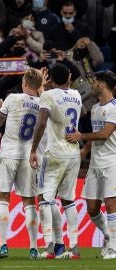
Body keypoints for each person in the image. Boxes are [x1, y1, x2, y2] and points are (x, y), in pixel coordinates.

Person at [0, 68, 44, 259]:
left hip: (9, 154)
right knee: (29, 201)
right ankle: (33, 248)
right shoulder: (42, 104)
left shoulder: (12, 99)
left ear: (25, 83)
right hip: (29, 156)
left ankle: (3, 245)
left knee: (3, 198)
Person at [29, 63, 82, 259]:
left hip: (55, 153)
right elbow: (81, 111)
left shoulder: (48, 96)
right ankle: (74, 247)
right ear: (69, 77)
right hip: (73, 153)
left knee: (44, 198)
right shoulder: (76, 95)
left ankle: (50, 247)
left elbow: (42, 122)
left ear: (51, 78)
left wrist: (33, 150)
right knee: (68, 200)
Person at [65, 71, 116, 259]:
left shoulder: (114, 108)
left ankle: (113, 247)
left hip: (112, 161)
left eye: (94, 82)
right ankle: (109, 235)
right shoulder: (95, 108)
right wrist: (83, 151)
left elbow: (104, 134)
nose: (92, 85)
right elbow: (95, 135)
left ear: (102, 85)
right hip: (95, 163)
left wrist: (81, 136)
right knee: (92, 208)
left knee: (111, 204)